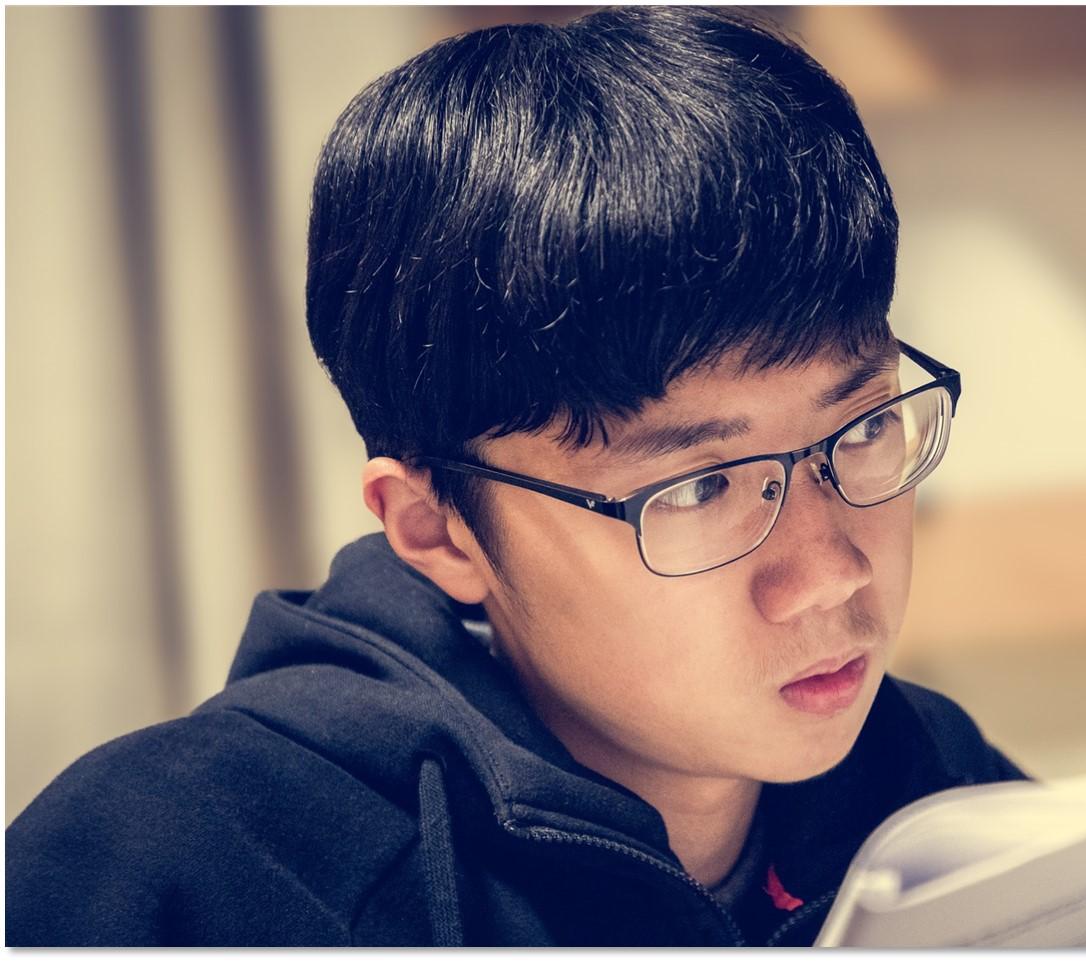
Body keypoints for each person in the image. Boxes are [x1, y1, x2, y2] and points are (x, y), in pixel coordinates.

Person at [6, 6, 1027, 946]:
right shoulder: (181, 876)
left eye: (858, 430)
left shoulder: (932, 791)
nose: (829, 572)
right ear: (436, 529)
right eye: (697, 489)